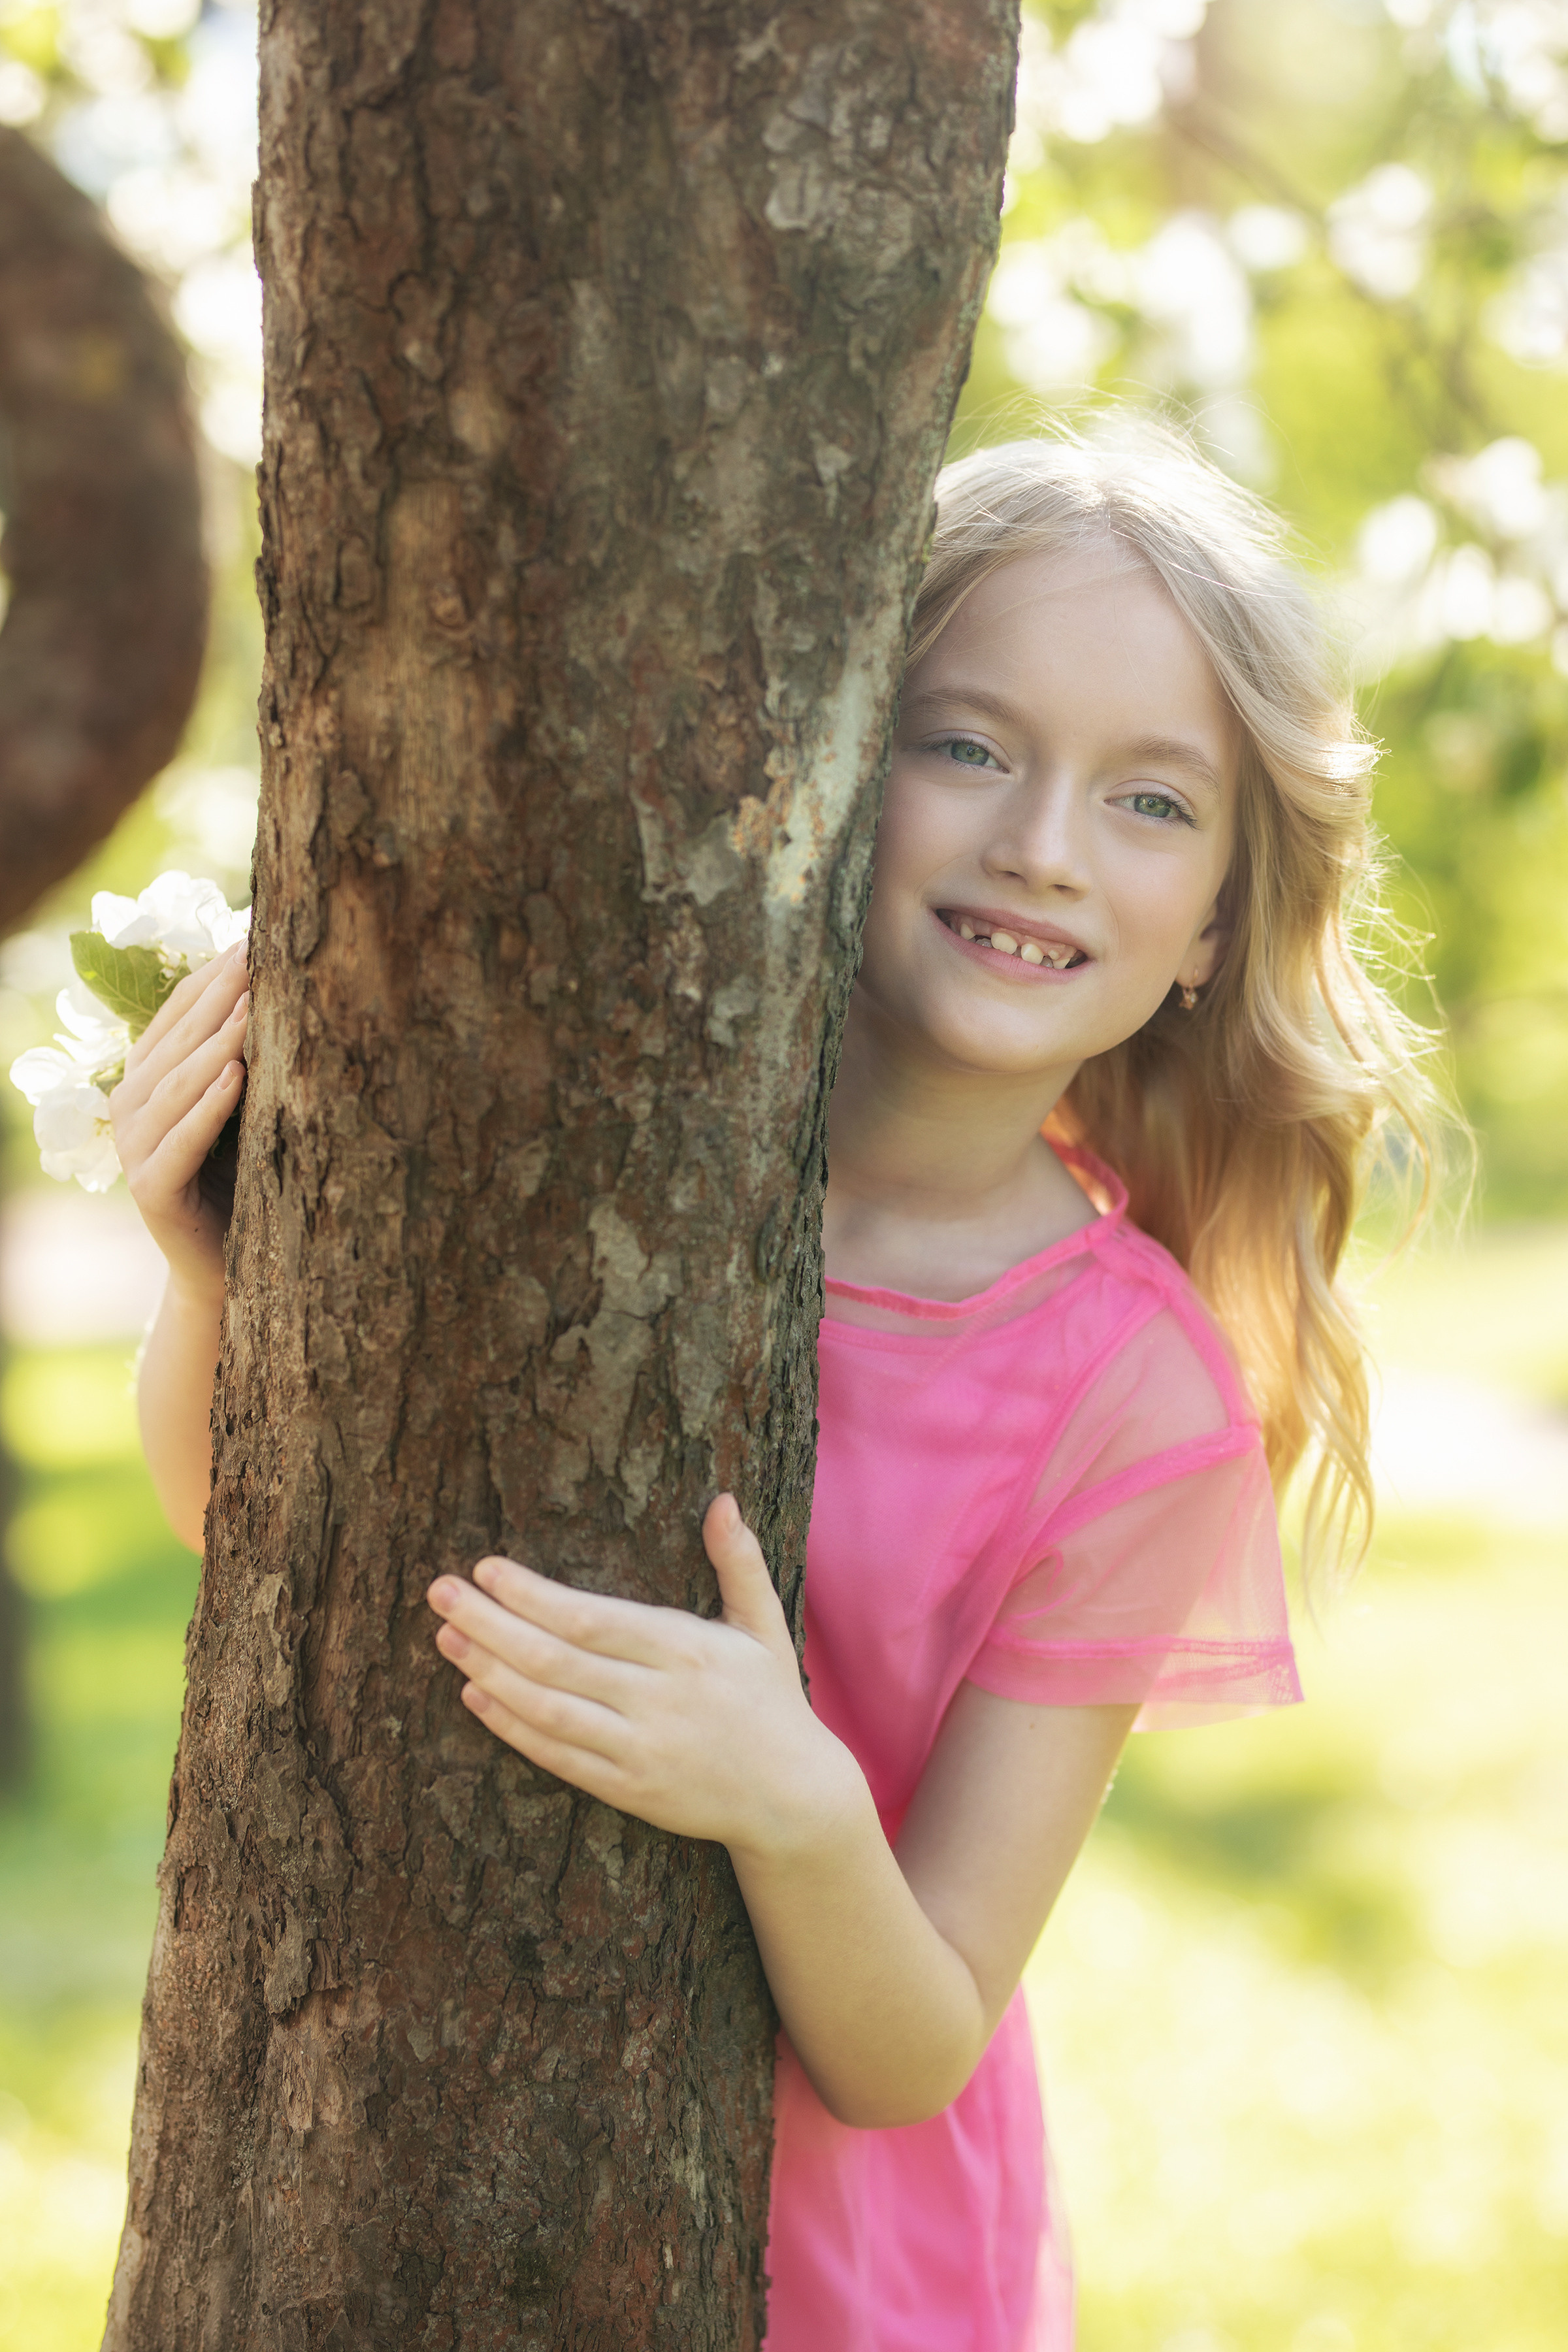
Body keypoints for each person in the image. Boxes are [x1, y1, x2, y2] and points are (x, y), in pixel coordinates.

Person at [114, 417, 1439, 2349]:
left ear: (1219, 925)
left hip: (848, 2279)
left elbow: (920, 2040)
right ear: (827, 753)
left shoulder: (1131, 1397)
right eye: (966, 745)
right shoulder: (597, 1152)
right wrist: (205, 1268)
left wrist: (790, 1799)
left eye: (1152, 803)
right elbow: (247, 1535)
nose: (1041, 845)